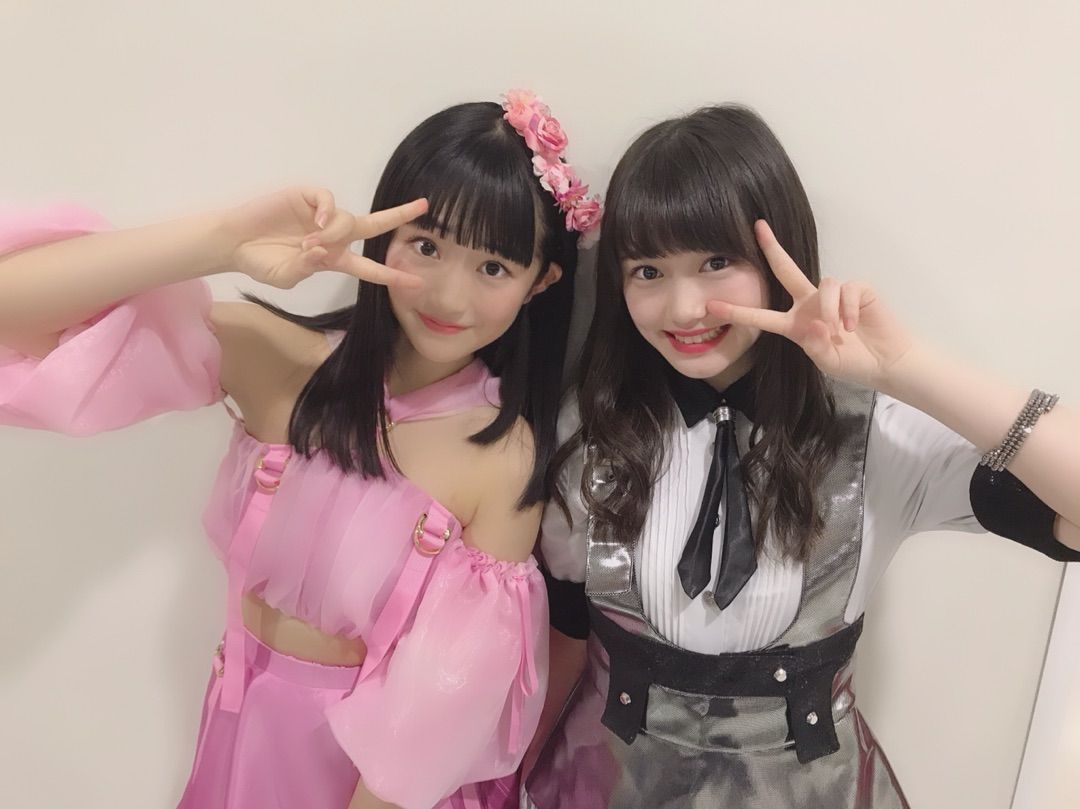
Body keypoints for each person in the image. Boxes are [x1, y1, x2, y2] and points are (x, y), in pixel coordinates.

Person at [0, 91, 600, 809]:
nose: (449, 294)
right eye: (428, 245)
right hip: (235, 735)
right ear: (383, 233)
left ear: (541, 283)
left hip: (361, 783)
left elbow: (432, 723)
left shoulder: (500, 457)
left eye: (493, 267)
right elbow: (15, 312)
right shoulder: (279, 364)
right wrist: (223, 240)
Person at [525, 104, 1080, 809]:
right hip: (605, 787)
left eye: (717, 262)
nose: (685, 308)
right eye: (648, 271)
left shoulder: (874, 431)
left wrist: (907, 367)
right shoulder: (589, 431)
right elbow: (562, 635)